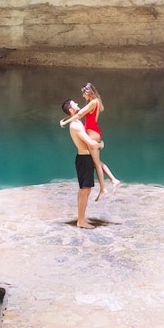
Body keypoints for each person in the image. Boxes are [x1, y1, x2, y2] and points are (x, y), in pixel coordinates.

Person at [60, 82, 120, 198]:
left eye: (83, 94)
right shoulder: (93, 102)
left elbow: (78, 115)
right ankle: (113, 180)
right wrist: (65, 119)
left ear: (88, 92)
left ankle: (103, 188)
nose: (83, 97)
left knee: (96, 163)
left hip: (93, 133)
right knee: (96, 161)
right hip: (93, 132)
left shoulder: (93, 102)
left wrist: (65, 123)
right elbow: (76, 113)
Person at [62, 99, 102, 229]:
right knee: (85, 190)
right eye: (75, 104)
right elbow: (90, 143)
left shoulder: (76, 122)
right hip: (84, 159)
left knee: (84, 190)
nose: (78, 105)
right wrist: (101, 144)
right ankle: (81, 221)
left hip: (83, 158)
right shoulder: (76, 125)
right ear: (72, 110)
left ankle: (82, 218)